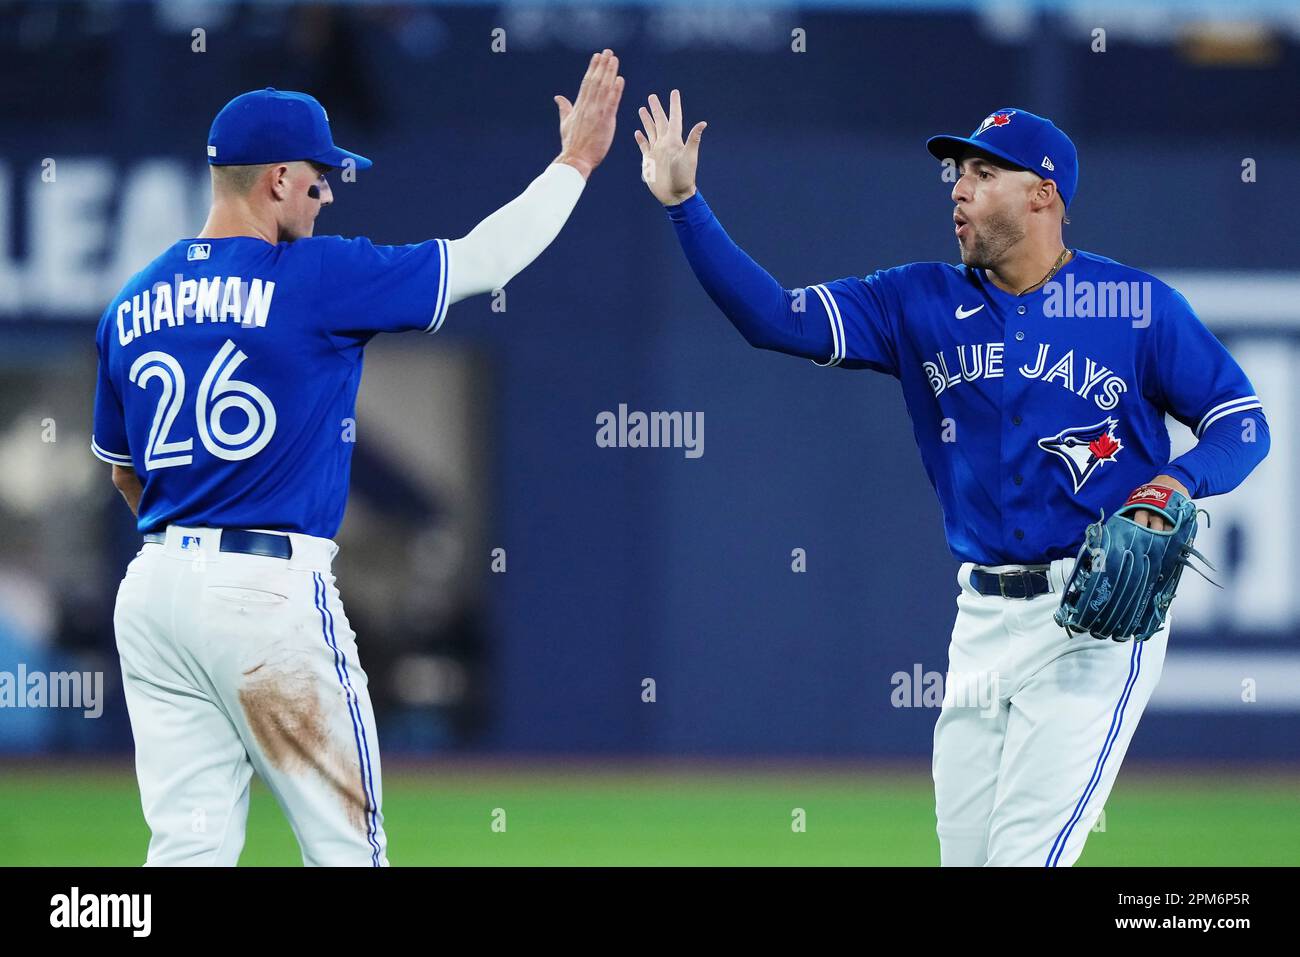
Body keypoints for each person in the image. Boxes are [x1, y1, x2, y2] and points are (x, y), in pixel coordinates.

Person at [634, 92, 1269, 866]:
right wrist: (684, 204)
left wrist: (1176, 482)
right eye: (955, 174)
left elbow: (1242, 423)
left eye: (981, 172)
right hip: (980, 624)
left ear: (1044, 194)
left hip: (1092, 626)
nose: (958, 189)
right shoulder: (916, 299)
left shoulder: (1134, 307)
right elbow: (775, 317)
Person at [91, 52, 624, 866]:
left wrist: (193, 545)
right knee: (348, 851)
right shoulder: (315, 275)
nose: (329, 191)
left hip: (155, 590)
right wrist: (575, 163)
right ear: (275, 179)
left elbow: (126, 473)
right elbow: (483, 260)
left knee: (185, 850)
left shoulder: (131, 303)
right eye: (318, 176)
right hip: (266, 592)